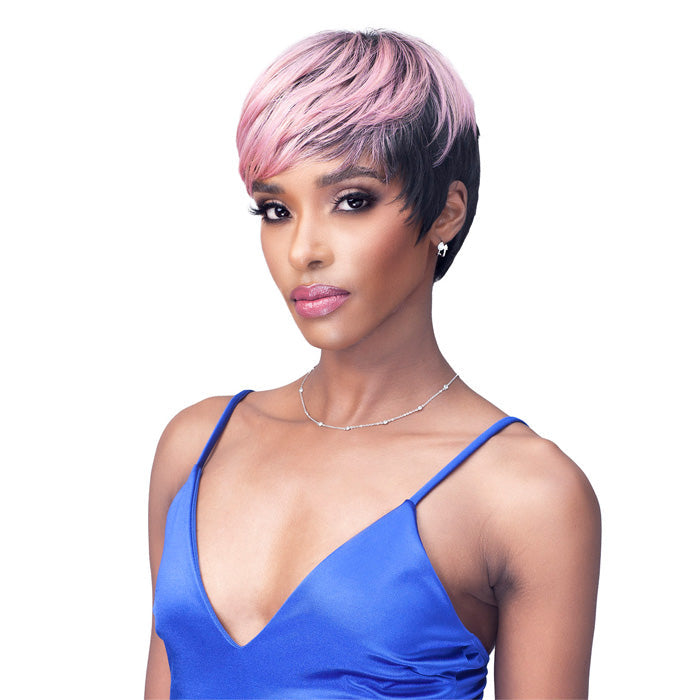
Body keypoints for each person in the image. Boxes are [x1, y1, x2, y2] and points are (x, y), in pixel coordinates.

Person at [145, 29, 601, 699]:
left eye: (352, 201)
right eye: (276, 209)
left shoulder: (526, 493)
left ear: (447, 211)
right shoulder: (197, 447)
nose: (303, 250)